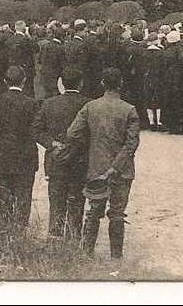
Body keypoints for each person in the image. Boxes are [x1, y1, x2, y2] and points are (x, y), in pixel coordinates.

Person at [66, 67, 141, 259]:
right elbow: (132, 143)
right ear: (121, 84)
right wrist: (115, 167)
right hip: (122, 171)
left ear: (102, 84)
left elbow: (72, 133)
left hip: (96, 168)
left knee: (94, 211)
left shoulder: (91, 107)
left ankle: (86, 253)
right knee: (117, 213)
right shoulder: (129, 110)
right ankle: (116, 257)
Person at [32, 67, 89, 238]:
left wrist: (52, 144)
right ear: (81, 83)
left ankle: (54, 238)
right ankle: (73, 238)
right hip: (80, 160)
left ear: (62, 84)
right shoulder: (88, 104)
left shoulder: (49, 103)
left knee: (56, 201)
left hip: (56, 159)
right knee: (77, 202)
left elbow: (36, 130)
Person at [0, 66, 39, 226]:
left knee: (5, 196)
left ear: (5, 81)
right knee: (24, 197)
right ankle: (20, 231)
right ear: (24, 81)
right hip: (25, 156)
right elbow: (35, 131)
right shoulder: (31, 103)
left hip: (3, 155)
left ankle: (4, 230)